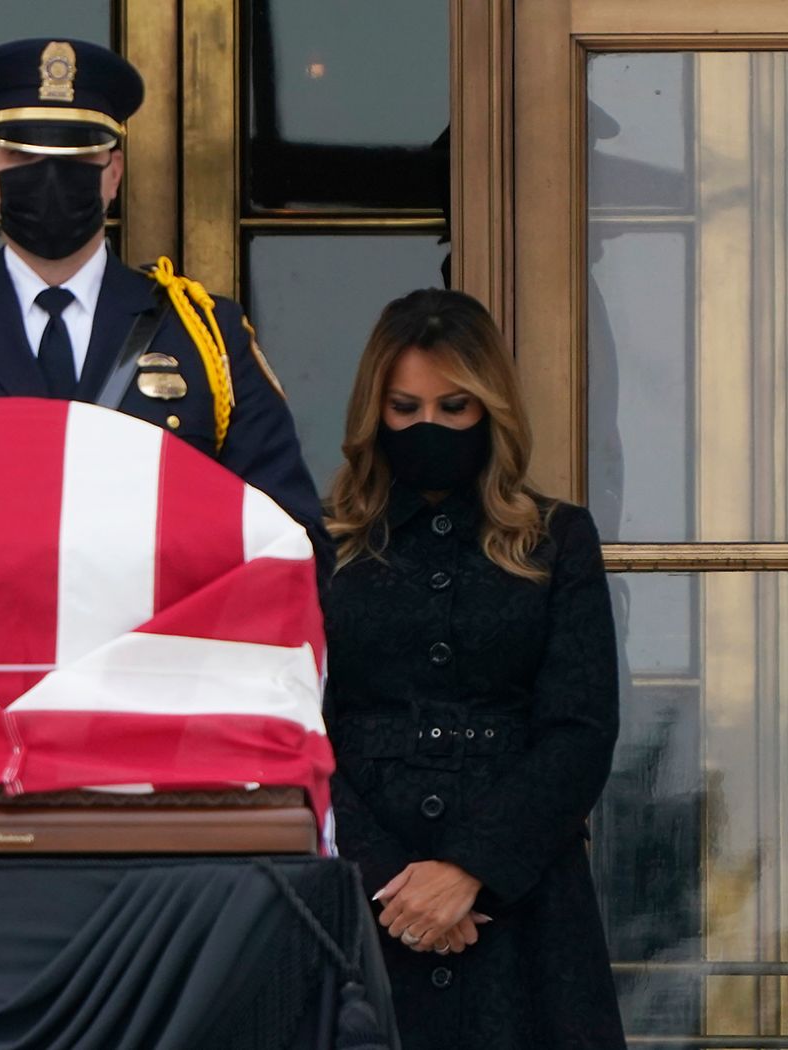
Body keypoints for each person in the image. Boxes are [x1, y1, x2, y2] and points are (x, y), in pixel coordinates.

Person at [0, 37, 327, 568]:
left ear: (114, 173)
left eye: (76, 151)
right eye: (22, 154)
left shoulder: (204, 335)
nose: (51, 172)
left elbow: (289, 539)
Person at [322, 288, 625, 1048]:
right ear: (374, 413)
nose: (432, 426)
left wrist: (467, 869)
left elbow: (580, 727)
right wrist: (390, 882)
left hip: (524, 903)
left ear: (491, 411)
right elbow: (298, 727)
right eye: (406, 407)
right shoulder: (320, 544)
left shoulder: (558, 539)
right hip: (361, 899)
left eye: (456, 407)